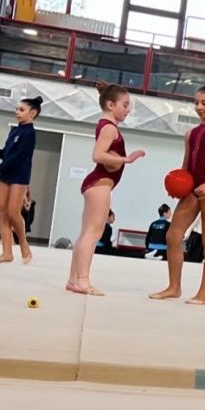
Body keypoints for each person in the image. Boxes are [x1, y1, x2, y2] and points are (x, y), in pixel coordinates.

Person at [149, 82, 205, 305]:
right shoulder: (191, 134)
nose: (199, 107)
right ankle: (174, 287)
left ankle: (203, 293)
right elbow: (185, 166)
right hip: (193, 187)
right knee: (173, 235)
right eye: (196, 103)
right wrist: (177, 186)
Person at [66, 82, 146, 295]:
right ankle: (83, 280)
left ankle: (74, 280)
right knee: (93, 233)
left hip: (98, 183)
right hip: (99, 183)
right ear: (111, 105)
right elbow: (98, 155)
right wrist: (125, 159)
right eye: (125, 105)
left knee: (87, 233)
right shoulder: (109, 127)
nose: (128, 110)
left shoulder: (107, 125)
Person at [0, 96, 42, 264]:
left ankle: (24, 244)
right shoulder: (14, 131)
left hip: (19, 176)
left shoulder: (30, 133)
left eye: (21, 110)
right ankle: (7, 253)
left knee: (13, 212)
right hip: (6, 174)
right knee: (2, 213)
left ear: (32, 113)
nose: (17, 112)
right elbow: (6, 155)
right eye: (16, 109)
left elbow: (17, 159)